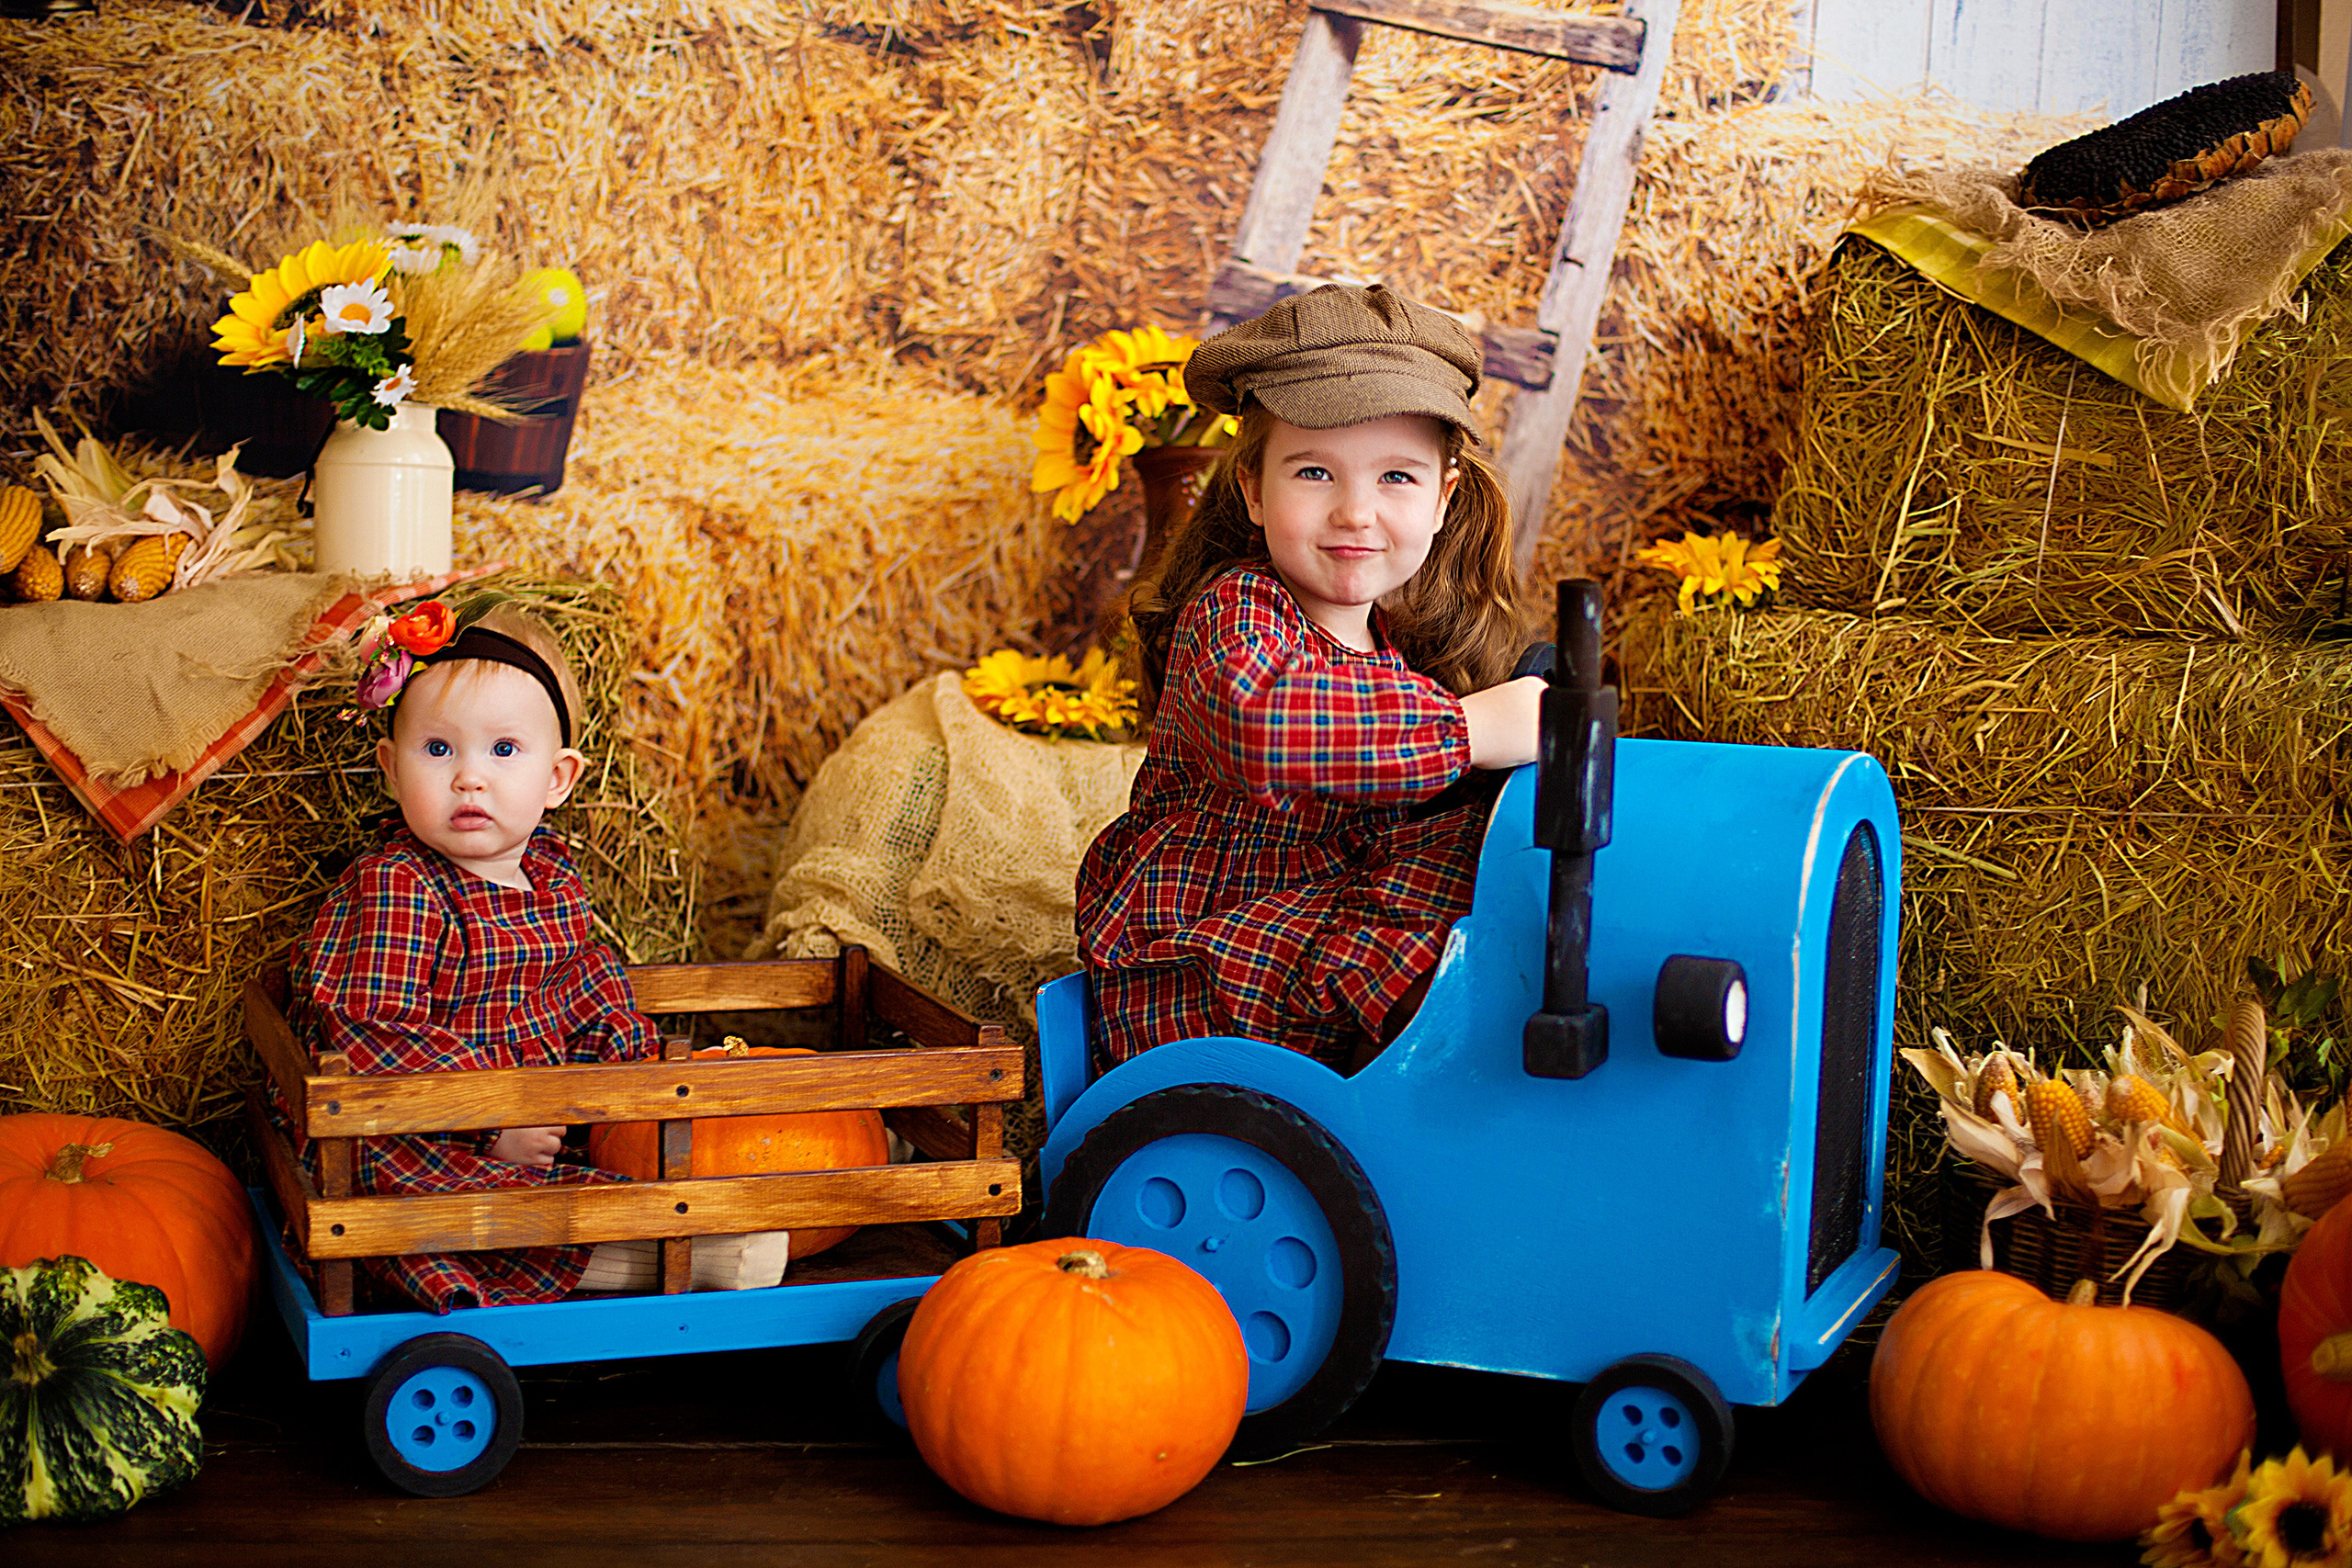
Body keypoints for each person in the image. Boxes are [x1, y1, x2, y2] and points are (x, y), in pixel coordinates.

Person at [1077, 284, 1546, 1075]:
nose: (1356, 512)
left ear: (1443, 499)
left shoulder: (1398, 662)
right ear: (1255, 489)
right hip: (1197, 968)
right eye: (1314, 473)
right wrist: (1471, 731)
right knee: (1425, 949)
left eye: (1397, 477)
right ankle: (1424, 1089)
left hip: (1317, 954)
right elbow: (1268, 726)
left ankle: (1429, 1087)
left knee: (1479, 866)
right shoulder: (1237, 613)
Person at [288, 601, 786, 1312]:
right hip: (420, 1135)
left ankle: (751, 1197)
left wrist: (634, 1086)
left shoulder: (552, 878)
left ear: (557, 779)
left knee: (614, 1169)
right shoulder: (399, 886)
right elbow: (375, 1041)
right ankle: (674, 1253)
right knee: (447, 1206)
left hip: (537, 1124)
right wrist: (495, 1121)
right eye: (438, 750)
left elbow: (590, 989)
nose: (469, 777)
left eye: (503, 750)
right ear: (392, 771)